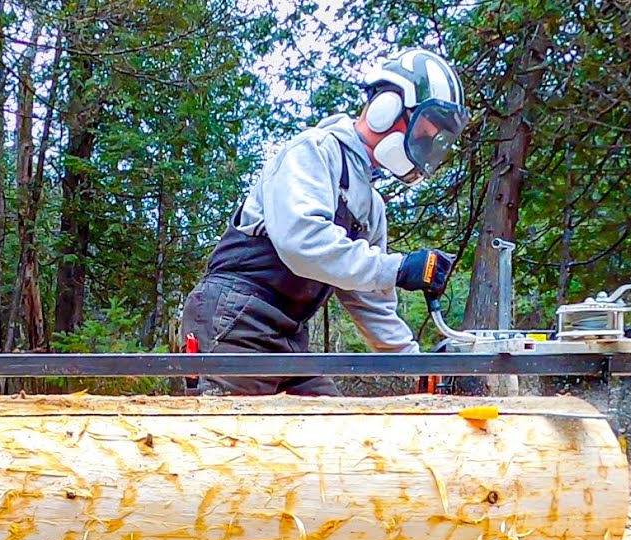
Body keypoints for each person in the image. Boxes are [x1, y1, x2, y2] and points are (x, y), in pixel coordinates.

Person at [181, 48, 469, 396]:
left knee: (336, 433)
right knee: (230, 442)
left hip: (287, 333)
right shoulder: (314, 151)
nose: (424, 142)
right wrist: (399, 268)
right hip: (234, 320)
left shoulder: (371, 207)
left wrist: (415, 364)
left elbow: (370, 299)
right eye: (424, 130)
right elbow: (302, 242)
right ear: (387, 107)